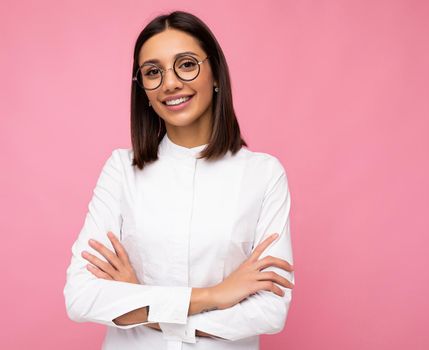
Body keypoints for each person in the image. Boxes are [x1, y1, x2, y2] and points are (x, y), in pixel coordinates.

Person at [63, 10, 295, 350]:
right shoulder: (121, 170)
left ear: (215, 73)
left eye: (186, 64)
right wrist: (215, 295)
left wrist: (140, 303)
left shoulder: (263, 174)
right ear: (142, 88)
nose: (170, 83)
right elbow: (81, 297)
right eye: (153, 72)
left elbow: (270, 311)